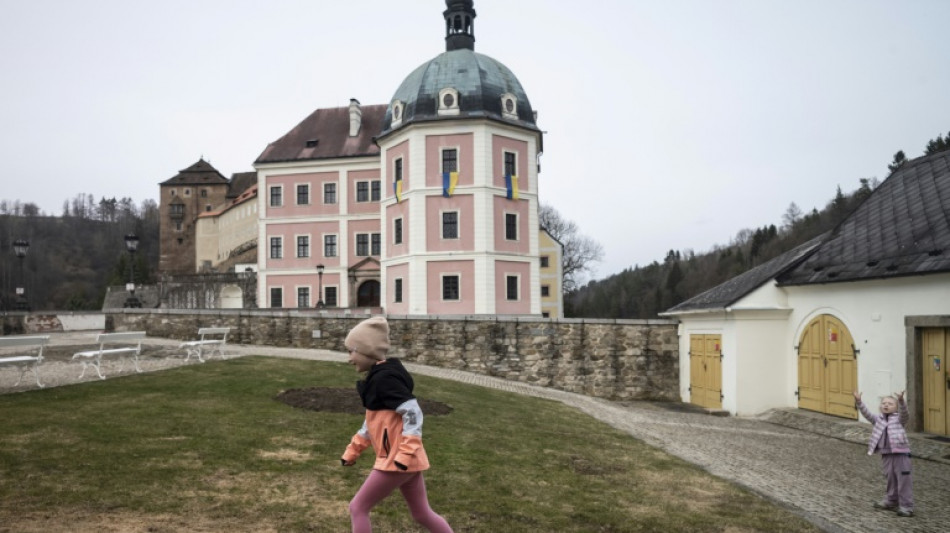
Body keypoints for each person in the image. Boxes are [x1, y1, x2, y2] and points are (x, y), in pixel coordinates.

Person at [340, 316, 454, 533]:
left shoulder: (385, 379)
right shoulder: (377, 379)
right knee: (421, 513)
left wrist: (405, 453)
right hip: (405, 460)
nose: (349, 358)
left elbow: (413, 411)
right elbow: (372, 420)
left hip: (397, 460)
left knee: (358, 507)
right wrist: (353, 450)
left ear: (366, 351)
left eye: (351, 351)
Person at [853, 390, 914, 517]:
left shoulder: (899, 419)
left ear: (896, 407)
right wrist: (859, 401)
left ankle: (906, 506)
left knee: (903, 480)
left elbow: (905, 414)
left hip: (901, 454)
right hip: (886, 454)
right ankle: (891, 501)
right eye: (884, 403)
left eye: (890, 403)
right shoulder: (878, 419)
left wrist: (901, 401)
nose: (886, 405)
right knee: (890, 478)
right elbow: (867, 414)